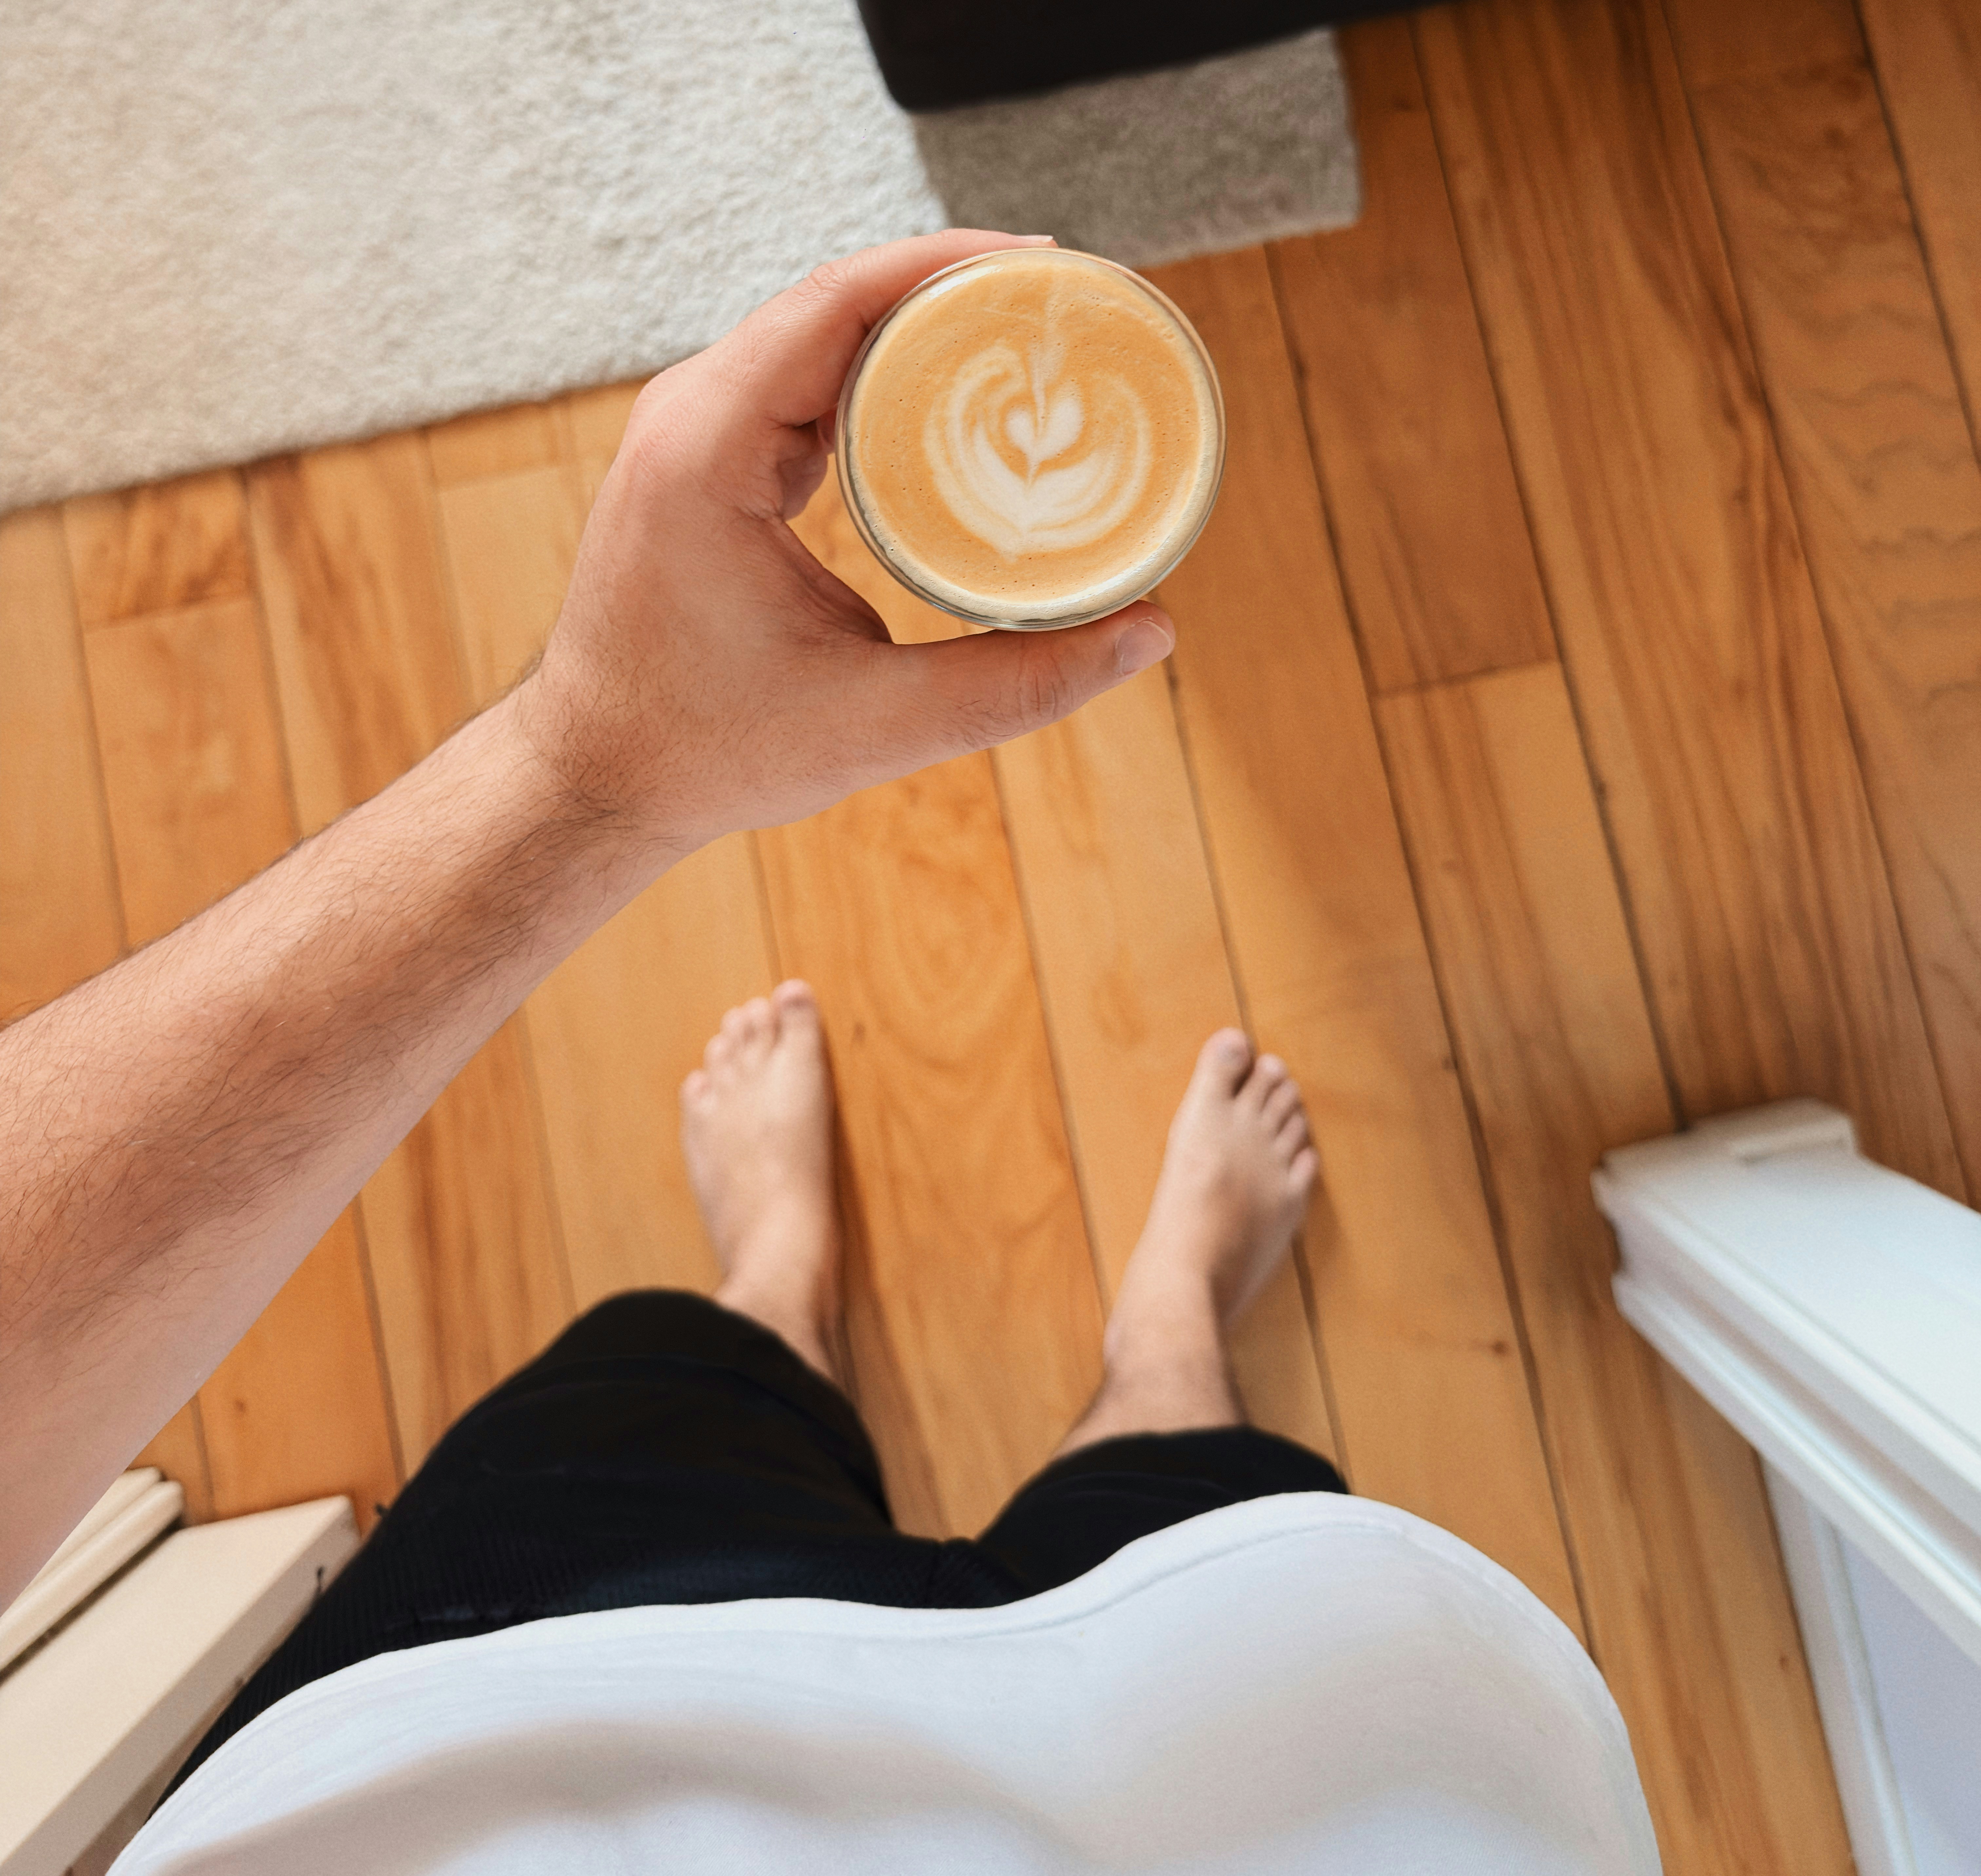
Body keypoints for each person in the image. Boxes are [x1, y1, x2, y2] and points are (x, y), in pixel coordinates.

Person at [1, 233, 1659, 1873]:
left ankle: (781, 1293)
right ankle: (1164, 1329)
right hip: (1233, 1788)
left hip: (520, 1708)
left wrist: (592, 773)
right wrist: (580, 776)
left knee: (668, 1384)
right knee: (1176, 1491)